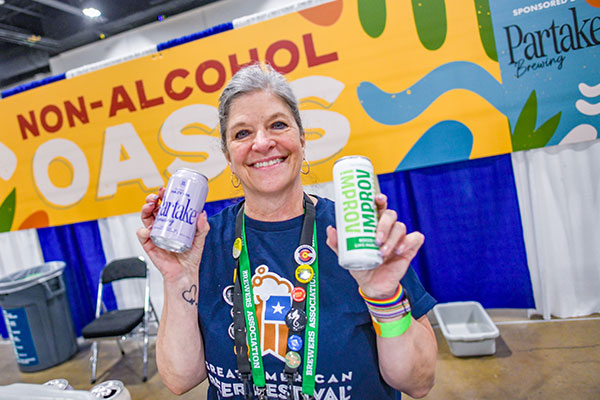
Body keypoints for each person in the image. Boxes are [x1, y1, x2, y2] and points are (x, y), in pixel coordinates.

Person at [137, 63, 437, 400]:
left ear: (301, 139)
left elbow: (419, 382)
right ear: (228, 156)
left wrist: (383, 296)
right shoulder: (202, 241)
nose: (262, 143)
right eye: (242, 133)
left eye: (277, 125)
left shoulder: (355, 233)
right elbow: (180, 379)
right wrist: (179, 277)